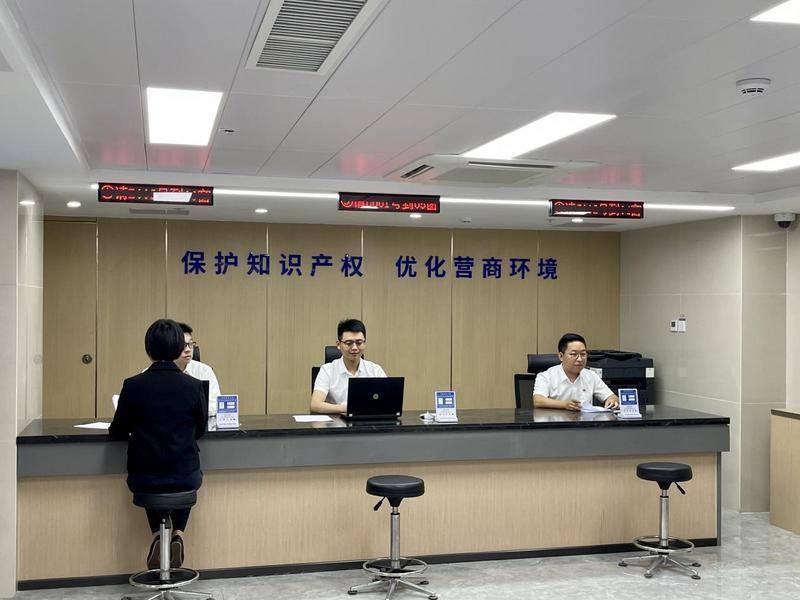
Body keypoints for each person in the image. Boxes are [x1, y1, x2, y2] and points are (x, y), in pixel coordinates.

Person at [109, 319, 207, 569]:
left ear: (148, 349)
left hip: (144, 479)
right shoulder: (194, 386)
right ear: (177, 348)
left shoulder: (133, 385)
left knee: (153, 476)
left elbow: (117, 431)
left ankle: (158, 536)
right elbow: (200, 430)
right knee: (182, 476)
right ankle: (177, 535)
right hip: (186, 477)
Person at [310, 318, 386, 414]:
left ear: (365, 343)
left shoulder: (375, 370)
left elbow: (388, 400)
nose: (354, 348)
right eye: (349, 343)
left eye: (359, 343)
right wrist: (349, 408)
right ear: (338, 344)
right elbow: (315, 405)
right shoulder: (327, 370)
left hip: (368, 421)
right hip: (337, 421)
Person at [533, 333, 619, 411]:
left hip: (585, 422)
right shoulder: (546, 376)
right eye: (574, 354)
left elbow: (612, 396)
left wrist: (612, 400)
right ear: (561, 356)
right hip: (556, 422)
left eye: (583, 354)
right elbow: (538, 401)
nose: (580, 359)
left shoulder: (591, 376)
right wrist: (564, 405)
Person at [175, 322, 220, 429]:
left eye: (190, 344)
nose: (188, 349)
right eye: (182, 345)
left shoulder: (205, 371)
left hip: (197, 430)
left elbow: (215, 405)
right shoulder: (152, 374)